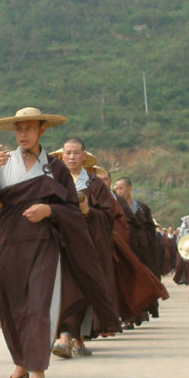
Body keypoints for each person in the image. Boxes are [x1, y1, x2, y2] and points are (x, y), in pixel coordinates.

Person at [0, 107, 119, 378]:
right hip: (9, 244)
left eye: (29, 128)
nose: (23, 134)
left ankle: (38, 371)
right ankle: (21, 364)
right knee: (13, 306)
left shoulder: (55, 167)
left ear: (42, 130)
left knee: (39, 305)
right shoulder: (3, 161)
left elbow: (72, 211)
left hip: (44, 245)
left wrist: (49, 209)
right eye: (19, 129)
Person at [50, 139, 121, 358]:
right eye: (67, 153)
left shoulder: (94, 184)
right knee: (67, 290)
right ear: (62, 157)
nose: (71, 157)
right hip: (60, 245)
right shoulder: (52, 181)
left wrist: (89, 211)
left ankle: (76, 338)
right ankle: (64, 336)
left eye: (76, 153)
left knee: (84, 291)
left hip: (88, 246)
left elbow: (109, 216)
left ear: (84, 157)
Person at [113, 176, 162, 326]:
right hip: (125, 249)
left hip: (142, 251)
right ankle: (127, 317)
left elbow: (150, 230)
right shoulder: (114, 206)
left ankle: (139, 313)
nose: (118, 191)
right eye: (116, 189)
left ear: (129, 189)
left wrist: (143, 239)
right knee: (126, 283)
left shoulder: (142, 208)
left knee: (140, 282)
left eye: (121, 188)